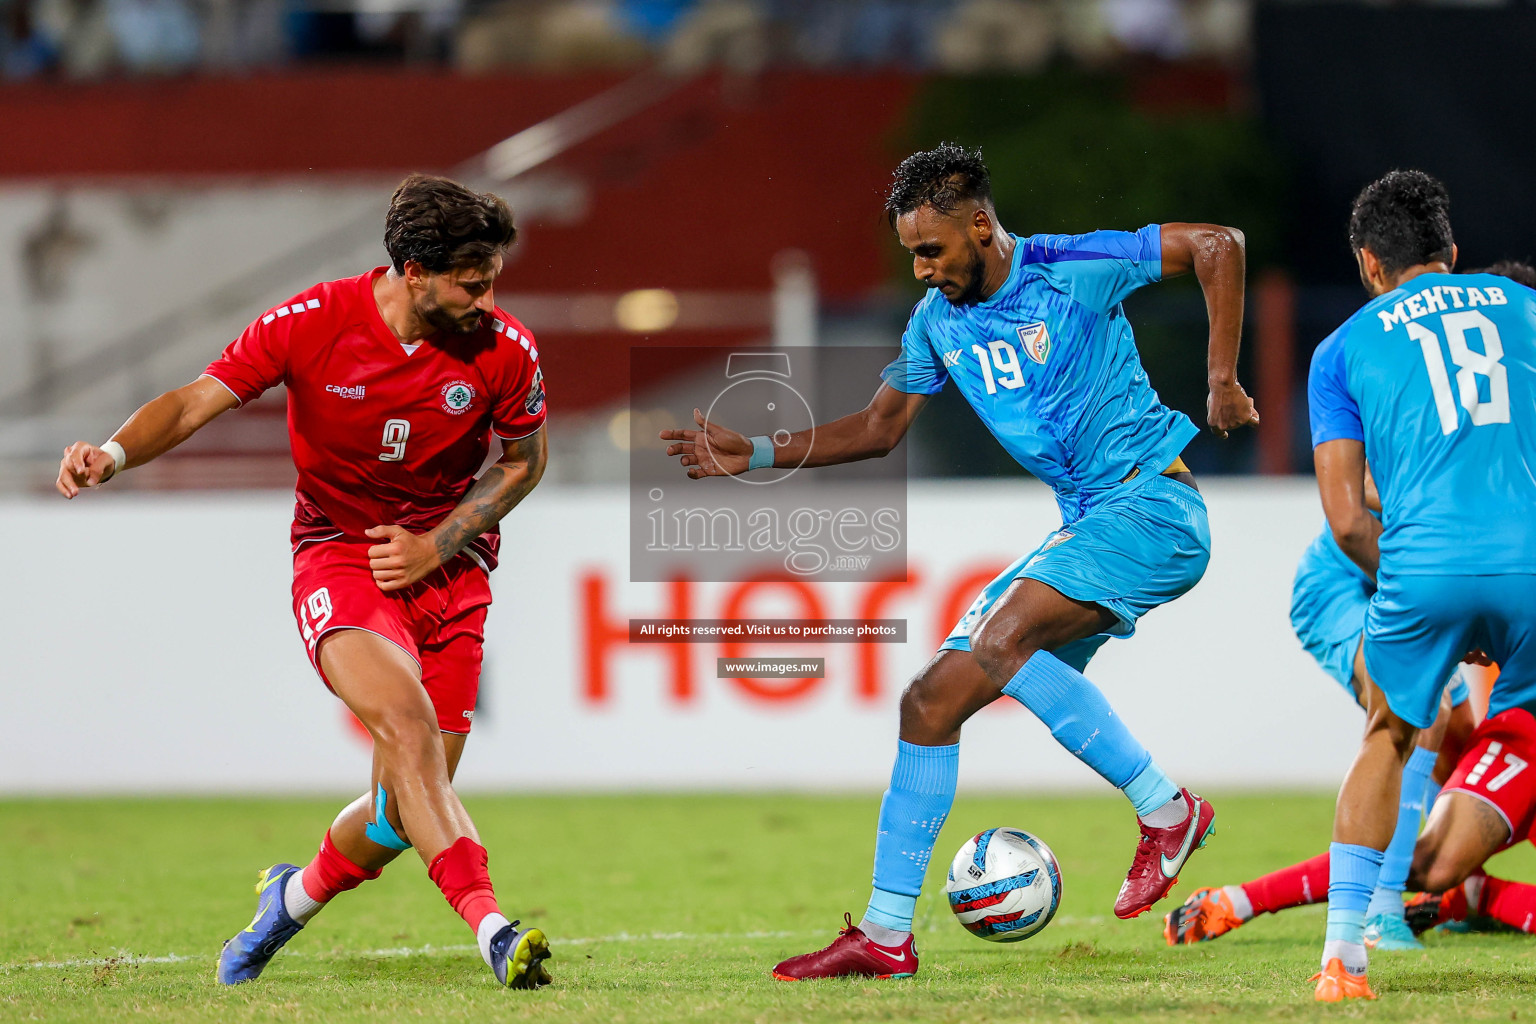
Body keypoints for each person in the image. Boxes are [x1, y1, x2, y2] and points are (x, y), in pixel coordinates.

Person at [660, 142, 1258, 980]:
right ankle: (884, 934)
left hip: (1152, 504)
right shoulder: (937, 323)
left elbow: (1217, 245)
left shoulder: (1069, 267)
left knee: (996, 638)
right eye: (911, 253)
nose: (921, 269)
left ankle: (1168, 810)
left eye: (931, 250)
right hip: (1091, 521)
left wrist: (1221, 378)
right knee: (931, 701)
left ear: (981, 225)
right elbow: (878, 427)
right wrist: (756, 451)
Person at [54, 174, 553, 990]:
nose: (487, 297)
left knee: (403, 807)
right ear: (414, 269)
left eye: (492, 278)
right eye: (472, 281)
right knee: (407, 728)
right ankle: (493, 929)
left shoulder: (505, 350)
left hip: (451, 572)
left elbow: (526, 465)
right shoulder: (312, 323)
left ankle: (289, 900)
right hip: (341, 557)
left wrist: (439, 542)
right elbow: (191, 404)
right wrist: (110, 453)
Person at [1168, 264, 1536, 954]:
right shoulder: (1466, 411)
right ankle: (1379, 916)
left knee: (1434, 805)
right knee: (1416, 714)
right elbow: (1364, 494)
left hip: (1418, 587)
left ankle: (1451, 895)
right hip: (1345, 581)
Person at [1306, 170, 1536, 1001]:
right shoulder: (1524, 308)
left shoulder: (1341, 348)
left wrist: (1415, 591)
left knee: (1390, 737)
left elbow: (1345, 520)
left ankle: (1343, 957)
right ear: (1454, 253)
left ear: (1370, 264)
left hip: (1424, 563)